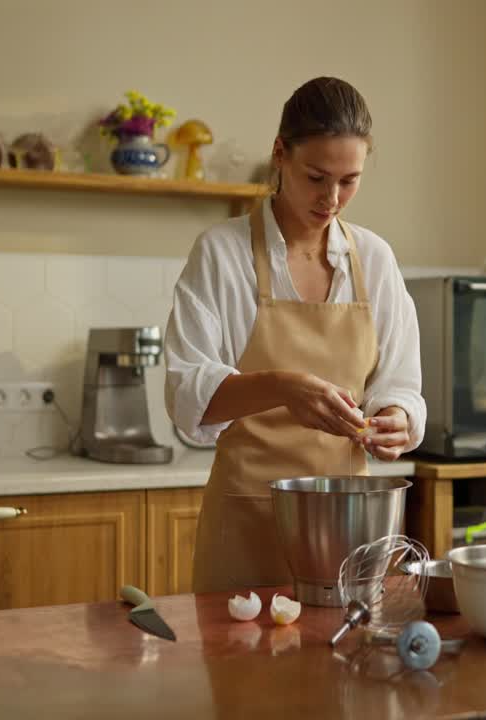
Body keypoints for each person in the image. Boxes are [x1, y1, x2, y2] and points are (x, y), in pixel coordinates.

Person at [164, 76, 425, 594]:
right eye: (316, 177)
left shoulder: (374, 258)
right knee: (241, 670)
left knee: (342, 671)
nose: (332, 199)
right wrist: (283, 386)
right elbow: (185, 395)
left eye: (349, 180)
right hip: (246, 523)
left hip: (347, 529)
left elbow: (400, 383)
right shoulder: (221, 252)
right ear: (280, 154)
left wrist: (397, 419)